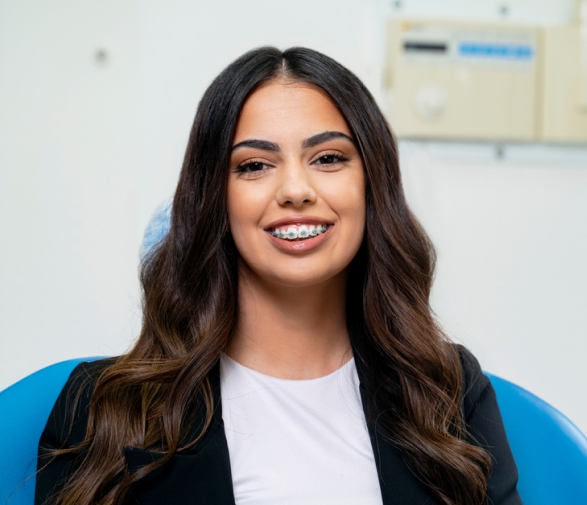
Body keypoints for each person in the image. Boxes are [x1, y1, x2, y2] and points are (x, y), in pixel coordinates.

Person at [35, 47, 523, 505]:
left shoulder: (447, 389)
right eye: (254, 165)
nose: (295, 189)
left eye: (329, 158)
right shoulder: (103, 407)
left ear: (372, 184)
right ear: (214, 201)